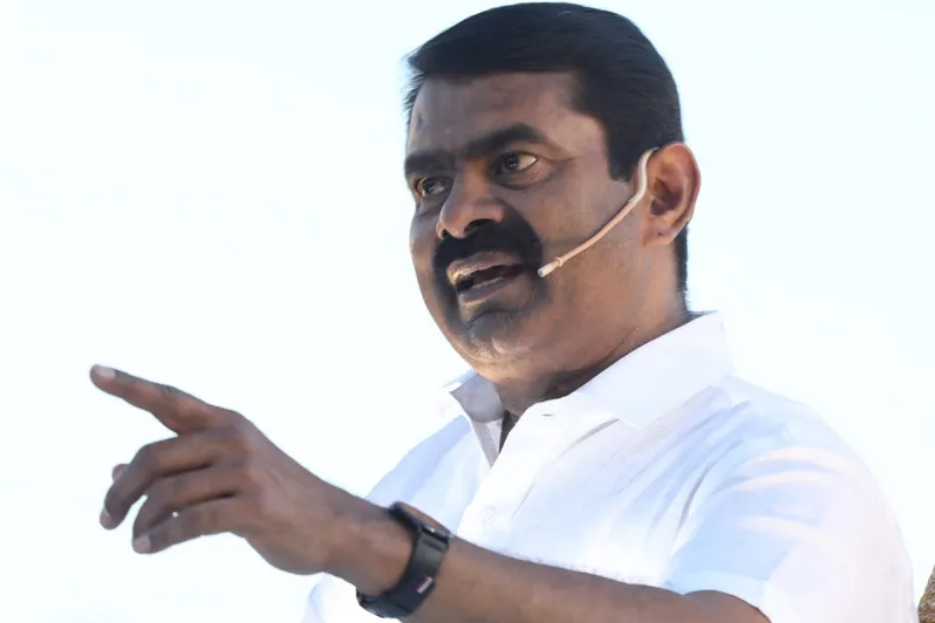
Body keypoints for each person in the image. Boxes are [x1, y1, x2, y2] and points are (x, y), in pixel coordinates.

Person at [90, 3, 917, 622]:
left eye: (516, 163)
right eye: (430, 184)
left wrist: (376, 547)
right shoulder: (416, 481)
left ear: (663, 194)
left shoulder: (783, 468)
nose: (456, 216)